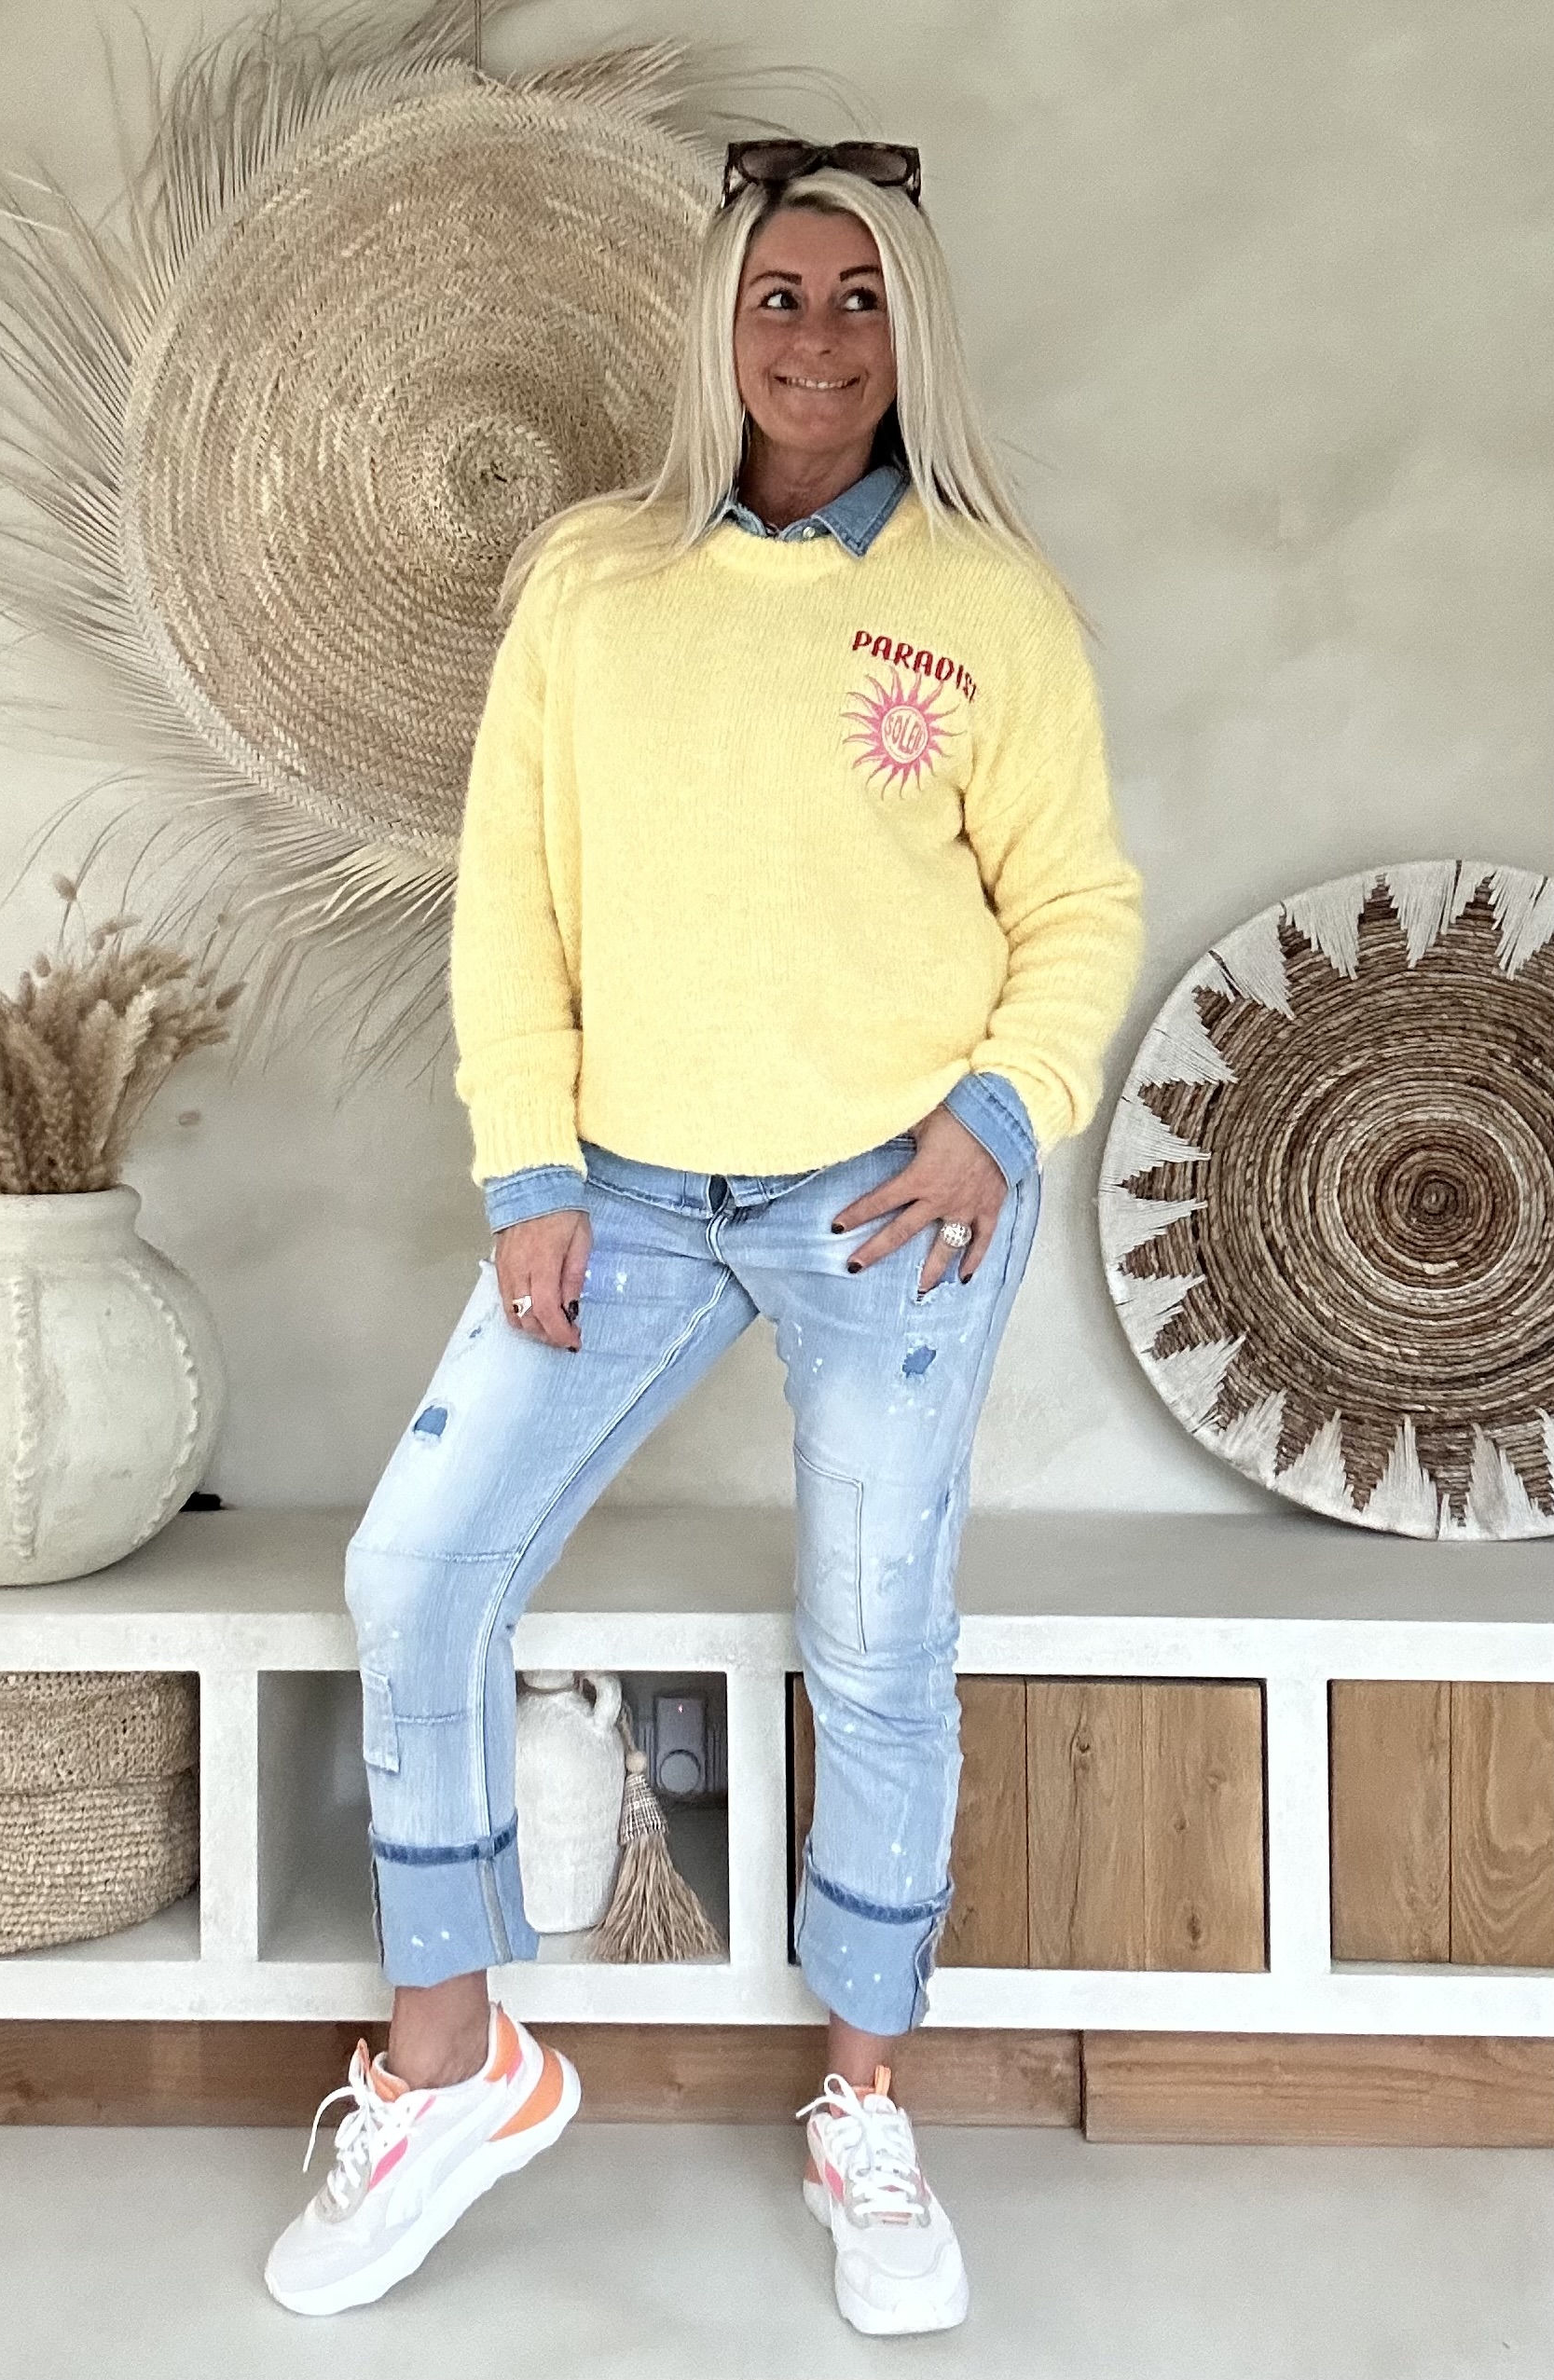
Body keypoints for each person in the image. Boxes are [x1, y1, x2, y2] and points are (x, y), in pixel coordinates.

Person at [265, 135, 1144, 2336]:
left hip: (891, 1196)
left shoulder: (986, 601)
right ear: (716, 322)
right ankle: (451, 2065)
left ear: (907, 330)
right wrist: (528, 1172)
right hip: (626, 1189)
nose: (814, 336)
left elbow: (1074, 905)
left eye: (857, 298)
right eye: (777, 293)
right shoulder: (592, 581)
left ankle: (863, 2103)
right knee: (416, 1566)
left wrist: (991, 1119)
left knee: (874, 1637)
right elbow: (511, 896)